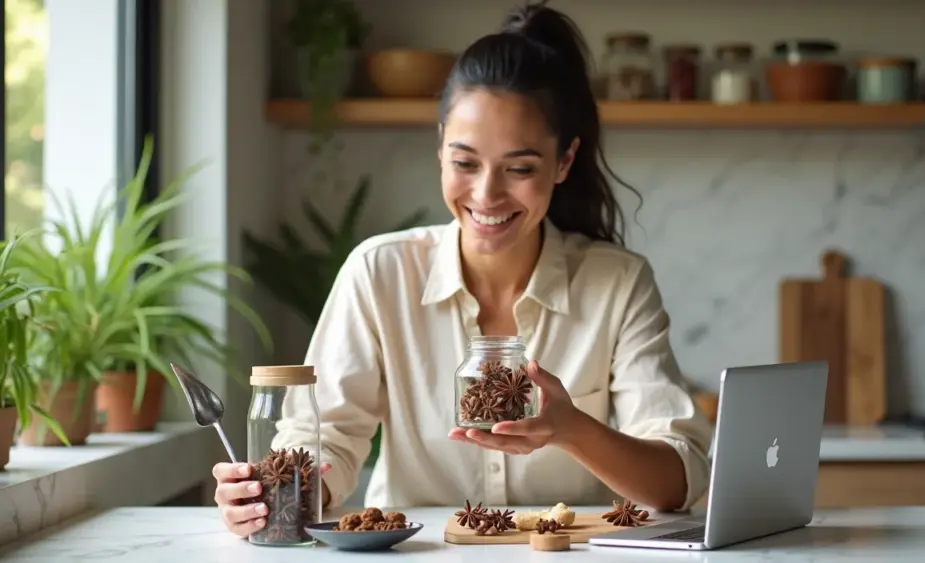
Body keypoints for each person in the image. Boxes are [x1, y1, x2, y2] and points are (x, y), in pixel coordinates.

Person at [212, 1, 713, 538]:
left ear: (565, 161)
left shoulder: (617, 283)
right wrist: (270, 492)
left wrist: (572, 430)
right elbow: (325, 437)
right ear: (440, 147)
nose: (486, 194)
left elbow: (679, 479)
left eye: (519, 168)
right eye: (465, 162)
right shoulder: (380, 273)